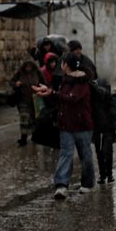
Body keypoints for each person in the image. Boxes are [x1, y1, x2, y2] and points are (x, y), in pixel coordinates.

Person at [33, 54, 96, 200]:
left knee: (85, 155)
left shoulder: (82, 82)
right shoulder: (65, 81)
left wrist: (53, 93)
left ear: (66, 65)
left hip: (82, 125)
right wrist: (49, 92)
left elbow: (72, 98)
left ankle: (87, 183)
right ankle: (61, 185)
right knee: (65, 153)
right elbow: (60, 98)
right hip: (66, 125)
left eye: (63, 63)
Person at [9, 61, 45, 146]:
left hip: (35, 99)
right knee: (24, 119)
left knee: (34, 119)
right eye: (27, 66)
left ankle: (34, 137)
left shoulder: (38, 73)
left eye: (30, 66)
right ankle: (23, 138)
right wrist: (16, 84)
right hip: (23, 100)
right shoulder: (20, 73)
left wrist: (40, 89)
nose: (28, 68)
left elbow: (43, 83)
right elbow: (11, 82)